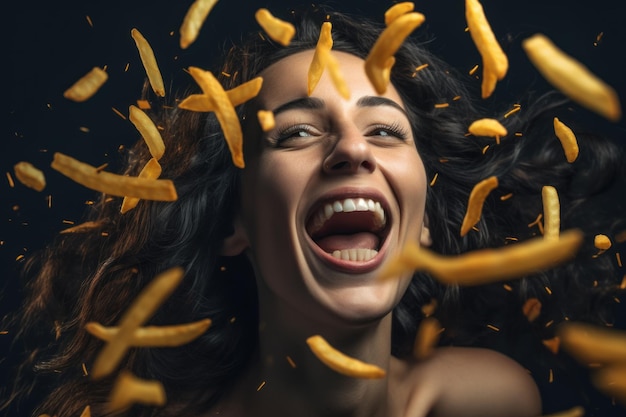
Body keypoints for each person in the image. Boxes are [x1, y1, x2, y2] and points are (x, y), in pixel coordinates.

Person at [2, 4, 624, 417]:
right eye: (296, 132)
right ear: (234, 223)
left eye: (384, 131)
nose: (352, 148)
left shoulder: (491, 401)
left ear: (428, 216)